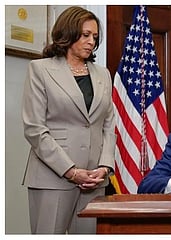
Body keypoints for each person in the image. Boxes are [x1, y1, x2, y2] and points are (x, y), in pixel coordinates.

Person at [22, 6, 115, 234]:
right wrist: (71, 171)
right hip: (52, 178)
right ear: (68, 33)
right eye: (85, 35)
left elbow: (108, 125)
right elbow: (35, 129)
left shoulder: (103, 74)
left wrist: (104, 166)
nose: (91, 41)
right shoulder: (40, 69)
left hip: (94, 180)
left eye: (94, 36)